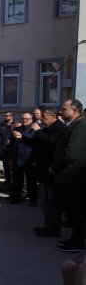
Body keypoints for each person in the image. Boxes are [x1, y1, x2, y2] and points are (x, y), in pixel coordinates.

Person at [23, 107, 67, 237]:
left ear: (53, 117)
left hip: (51, 170)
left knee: (53, 202)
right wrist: (22, 139)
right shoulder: (47, 128)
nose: (42, 119)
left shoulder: (59, 128)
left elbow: (51, 143)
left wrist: (39, 131)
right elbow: (37, 143)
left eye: (44, 117)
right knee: (46, 200)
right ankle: (47, 225)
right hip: (43, 170)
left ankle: (53, 228)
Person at [52, 99, 86, 252]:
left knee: (76, 210)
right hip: (71, 176)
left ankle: (79, 242)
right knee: (72, 210)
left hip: (75, 176)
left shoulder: (80, 127)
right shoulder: (74, 125)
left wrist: (56, 166)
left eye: (64, 109)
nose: (61, 112)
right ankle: (76, 239)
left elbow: (71, 153)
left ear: (75, 111)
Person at [10, 112, 37, 204]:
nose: (24, 120)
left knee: (31, 181)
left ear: (31, 120)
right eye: (23, 118)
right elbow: (12, 145)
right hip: (17, 158)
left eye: (27, 119)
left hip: (29, 159)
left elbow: (35, 144)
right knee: (17, 180)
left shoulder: (34, 130)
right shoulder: (17, 129)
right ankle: (15, 198)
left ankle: (32, 199)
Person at [0, 112, 15, 185]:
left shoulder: (15, 124)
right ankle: (8, 179)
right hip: (4, 148)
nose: (5, 117)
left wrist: (11, 141)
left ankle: (14, 180)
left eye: (6, 116)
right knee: (5, 165)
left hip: (12, 148)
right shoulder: (2, 125)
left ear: (11, 116)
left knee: (12, 165)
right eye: (4, 115)